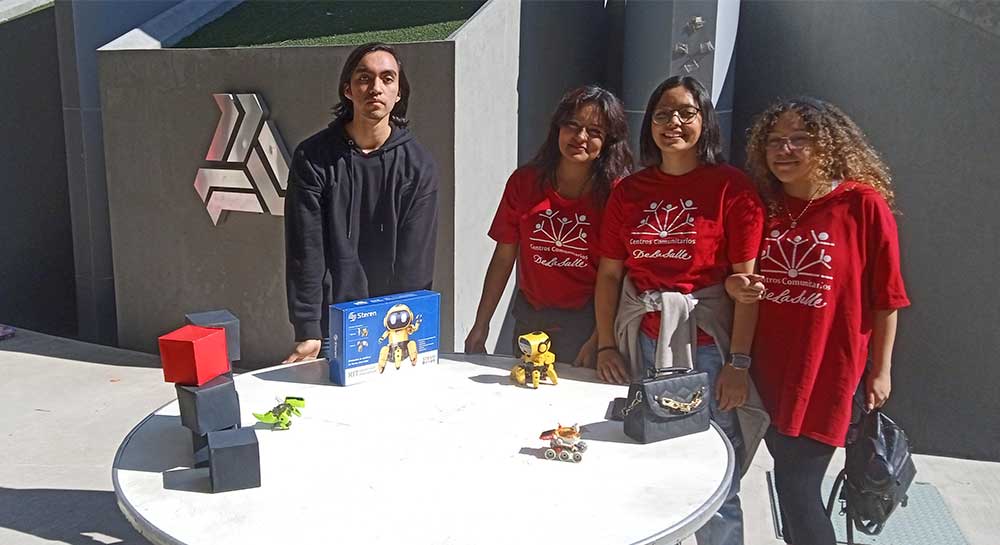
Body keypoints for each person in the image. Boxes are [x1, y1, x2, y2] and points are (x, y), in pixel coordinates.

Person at [593, 75, 769, 545]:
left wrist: (738, 363)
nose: (673, 122)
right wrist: (607, 344)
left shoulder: (732, 189)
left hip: (706, 348)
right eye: (662, 114)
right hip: (641, 341)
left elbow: (747, 288)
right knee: (643, 458)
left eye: (685, 113)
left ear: (704, 121)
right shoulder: (628, 191)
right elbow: (609, 275)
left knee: (713, 474)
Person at [729, 97, 909, 545]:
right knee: (790, 489)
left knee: (797, 488)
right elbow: (740, 279)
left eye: (799, 139)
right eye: (774, 141)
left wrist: (881, 371)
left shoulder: (862, 205)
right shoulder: (765, 206)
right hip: (767, 373)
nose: (784, 150)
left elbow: (887, 298)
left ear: (828, 145)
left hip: (827, 376)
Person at [283, 42, 439, 363]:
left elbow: (416, 263)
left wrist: (405, 328)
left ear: (398, 92)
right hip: (332, 328)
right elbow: (305, 251)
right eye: (365, 78)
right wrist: (308, 330)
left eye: (387, 78)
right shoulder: (313, 157)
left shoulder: (418, 166)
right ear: (348, 89)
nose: (375, 88)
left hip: (393, 327)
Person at [464, 85, 633, 364]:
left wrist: (601, 341)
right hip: (530, 321)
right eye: (572, 125)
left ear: (608, 141)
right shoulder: (524, 182)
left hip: (588, 327)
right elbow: (504, 257)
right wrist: (481, 325)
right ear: (558, 128)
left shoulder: (617, 194)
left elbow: (618, 274)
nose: (580, 137)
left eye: (594, 131)